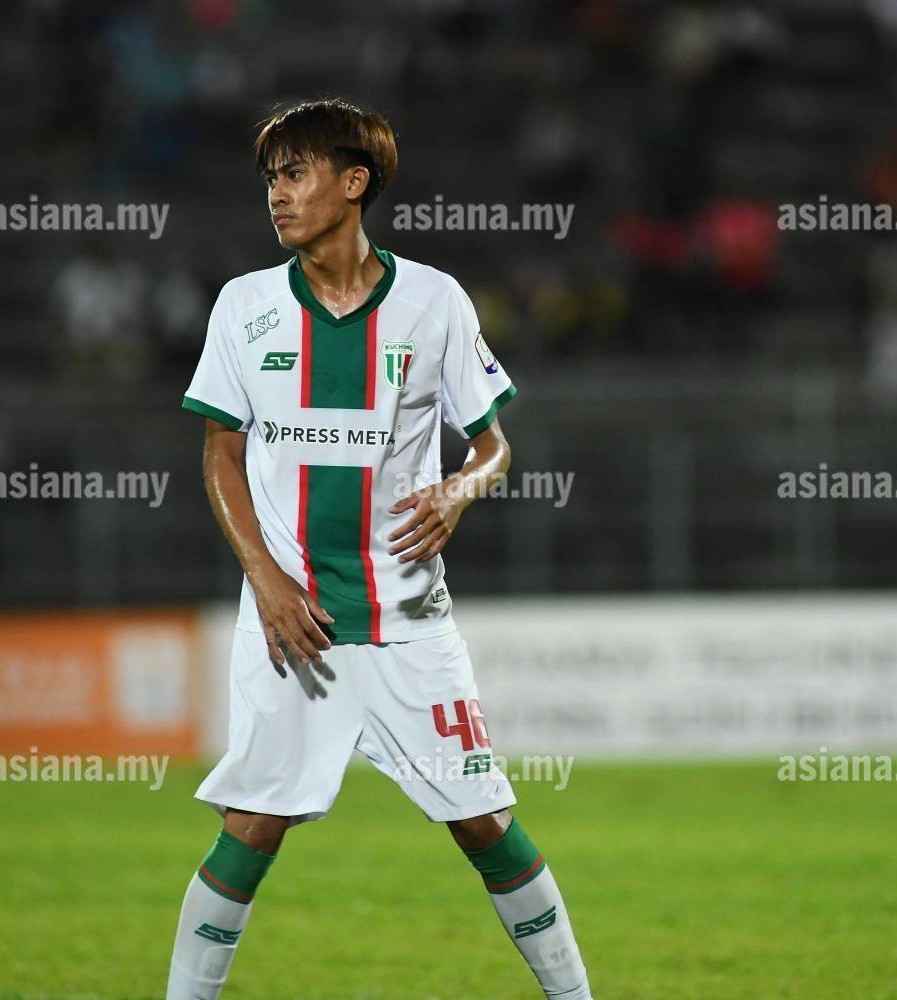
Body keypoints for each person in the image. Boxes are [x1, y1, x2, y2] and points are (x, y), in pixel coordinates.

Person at [166, 99, 592, 999]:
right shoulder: (245, 306)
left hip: (407, 615)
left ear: (354, 182)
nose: (277, 194)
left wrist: (460, 490)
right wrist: (267, 580)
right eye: (270, 178)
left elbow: (493, 446)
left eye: (296, 173)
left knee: (484, 820)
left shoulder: (434, 301)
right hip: (294, 623)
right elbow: (220, 454)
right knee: (252, 824)